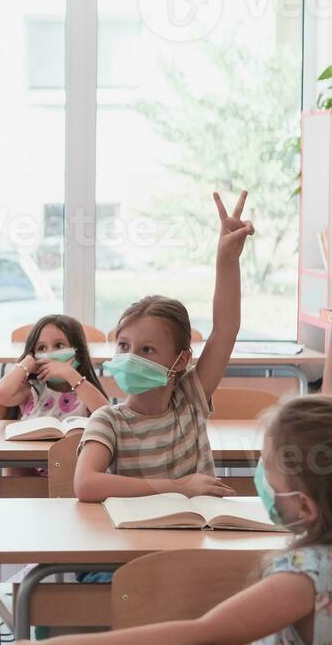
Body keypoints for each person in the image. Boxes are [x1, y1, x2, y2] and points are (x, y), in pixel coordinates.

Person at [0, 183, 332, 645]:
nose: (258, 480)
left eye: (266, 467)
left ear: (309, 502)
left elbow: (203, 636)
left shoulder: (309, 573)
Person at [73, 191, 253, 502]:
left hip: (197, 535)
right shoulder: (108, 420)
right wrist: (177, 487)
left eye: (147, 350)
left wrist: (227, 260)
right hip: (138, 545)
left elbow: (226, 329)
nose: (130, 358)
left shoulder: (189, 398)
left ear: (180, 361)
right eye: (124, 346)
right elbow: (86, 484)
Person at [0, 314, 109, 420]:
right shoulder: (32, 391)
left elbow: (107, 416)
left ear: (78, 353)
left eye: (59, 345)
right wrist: (25, 365)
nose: (50, 354)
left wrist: (70, 374)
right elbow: (0, 394)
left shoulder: (86, 392)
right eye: (41, 348)